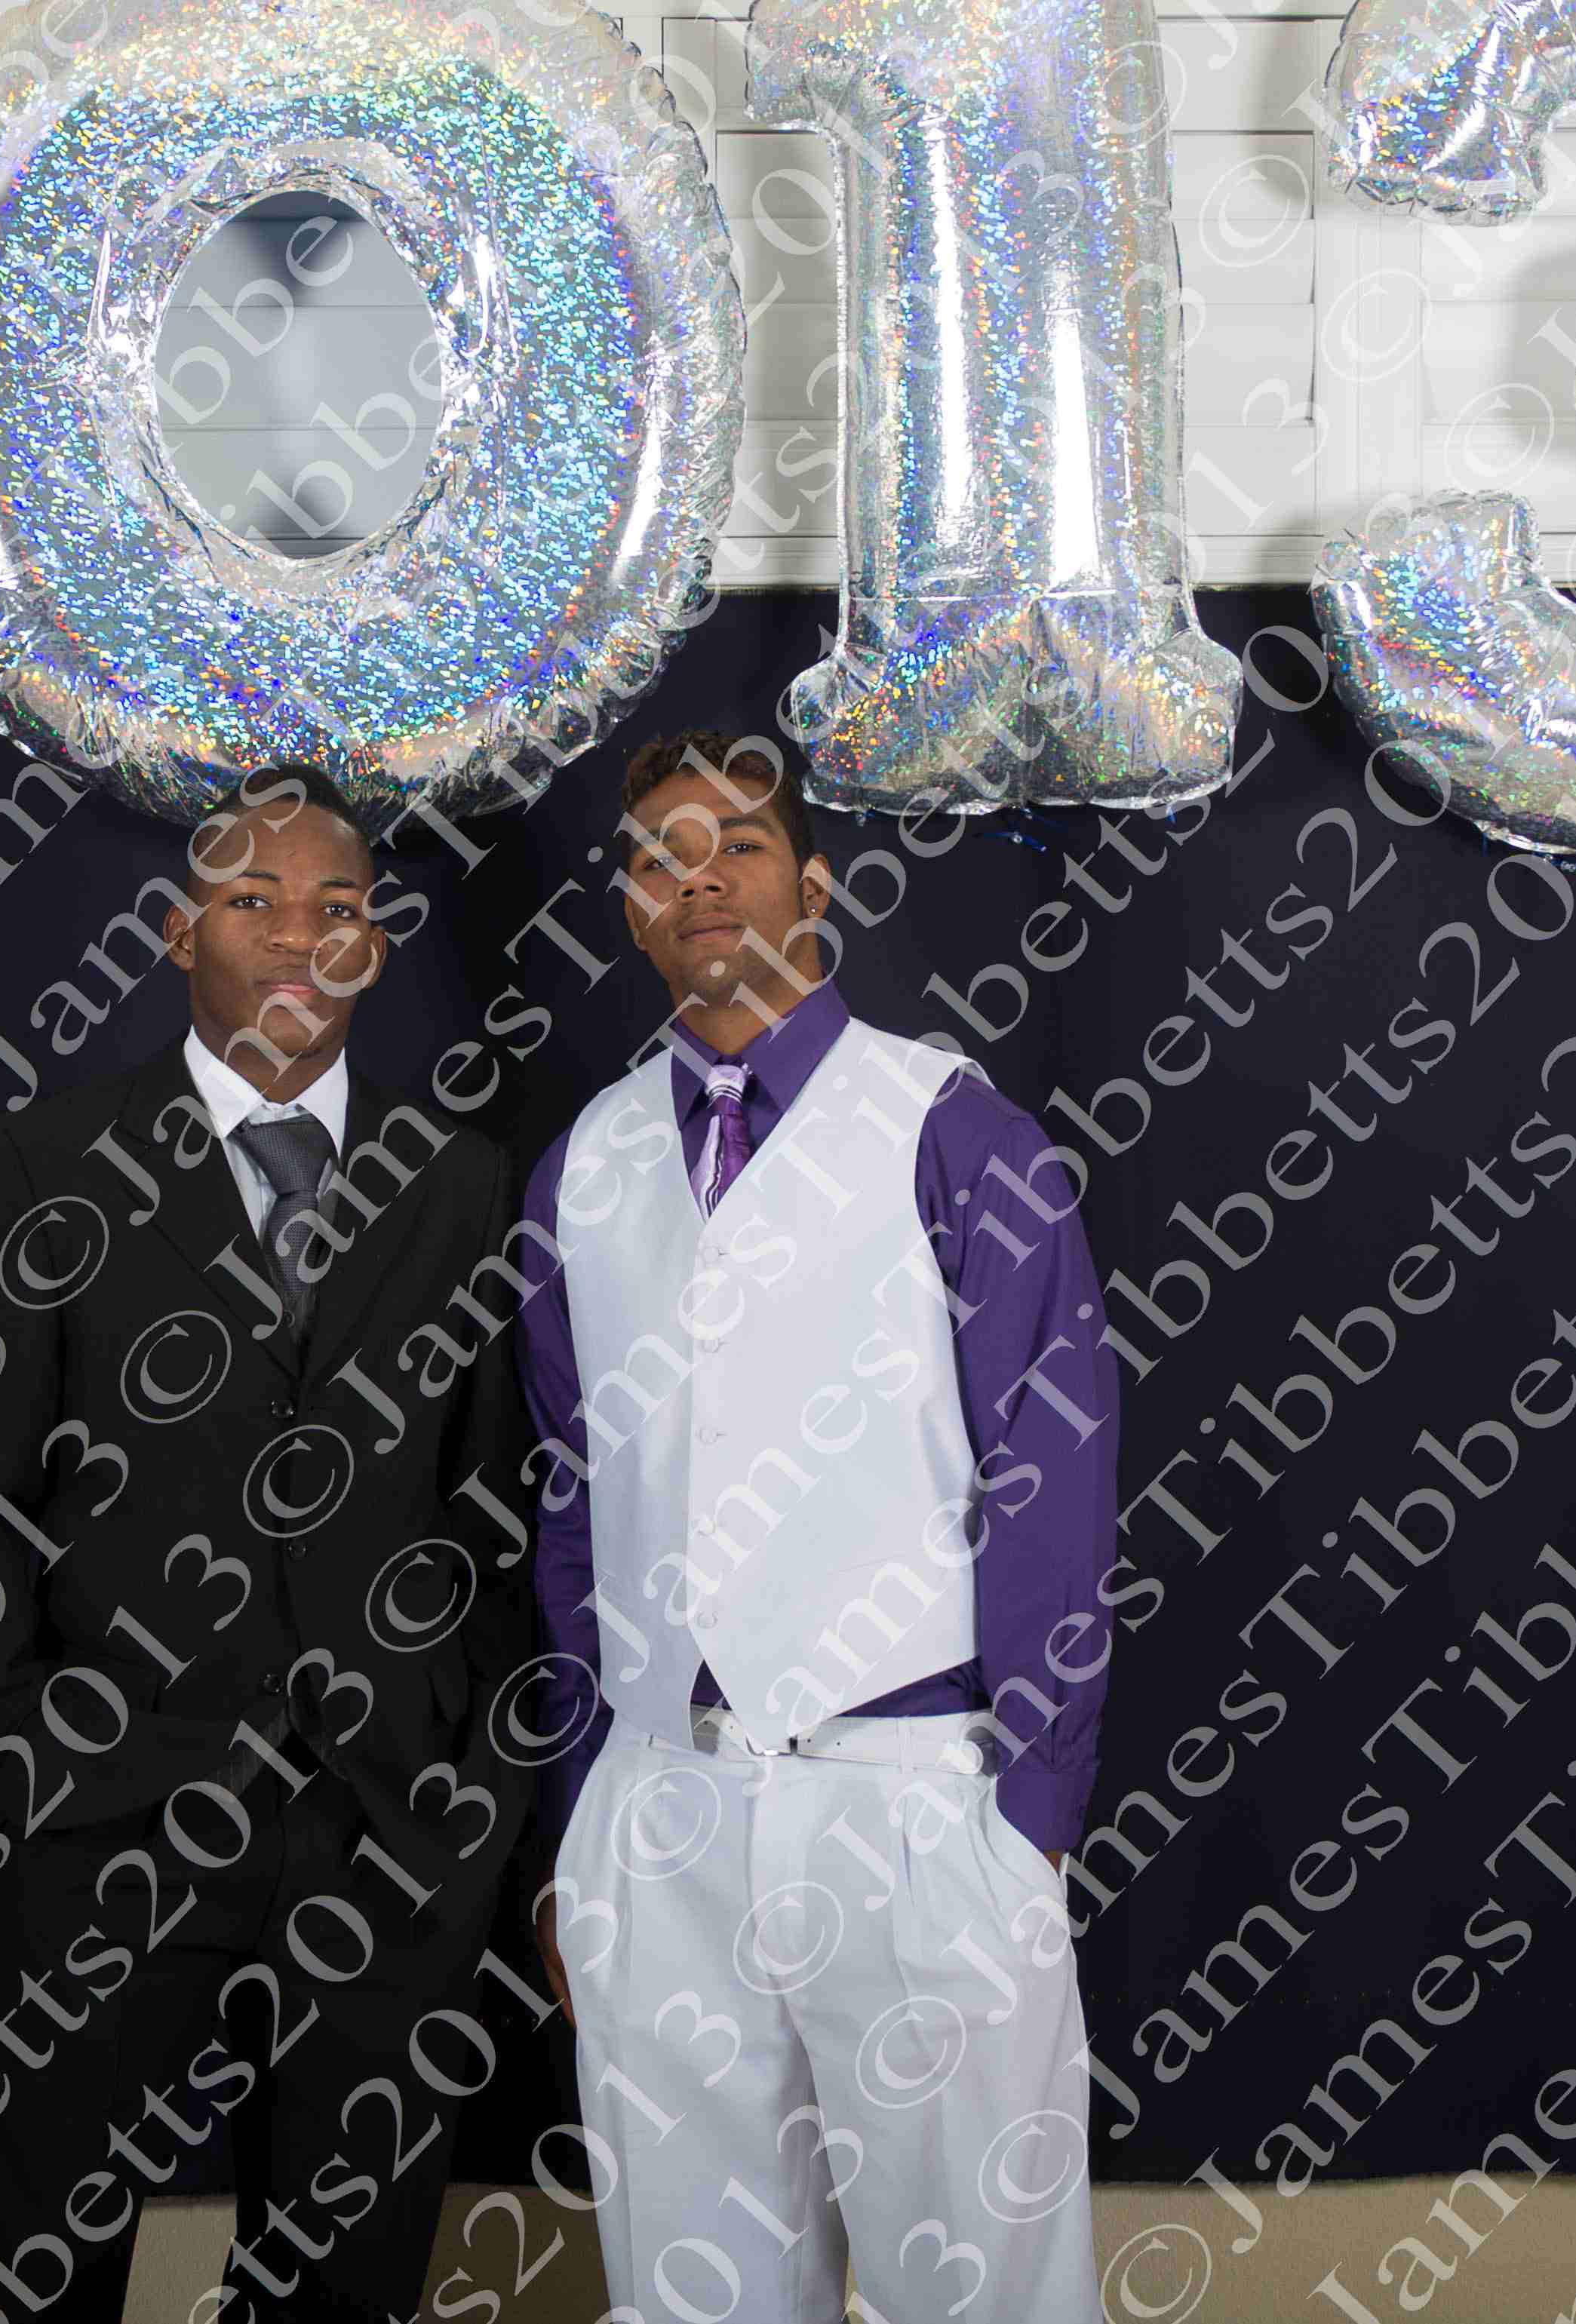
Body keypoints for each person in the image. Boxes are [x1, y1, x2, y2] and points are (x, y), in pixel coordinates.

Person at [0, 764, 537, 2324]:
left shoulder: (460, 1183)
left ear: (374, 941)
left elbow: (493, 1516)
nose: (299, 936)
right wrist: (24, 1767)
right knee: (43, 2265)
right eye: (255, 900)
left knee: (345, 2278)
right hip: (113, 1816)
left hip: (383, 1832)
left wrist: (468, 1804)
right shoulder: (51, 1162)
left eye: (336, 906)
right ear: (180, 933)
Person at [514, 729, 1120, 2324]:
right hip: (662, 1803)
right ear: (630, 908)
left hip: (910, 1791)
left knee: (979, 2291)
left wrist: (1031, 1813)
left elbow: (1051, 1479)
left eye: (739, 844)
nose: (699, 877)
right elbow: (574, 1502)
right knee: (688, 2288)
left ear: (815, 884)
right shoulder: (582, 1165)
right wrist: (581, 1818)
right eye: (660, 854)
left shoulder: (951, 1130)